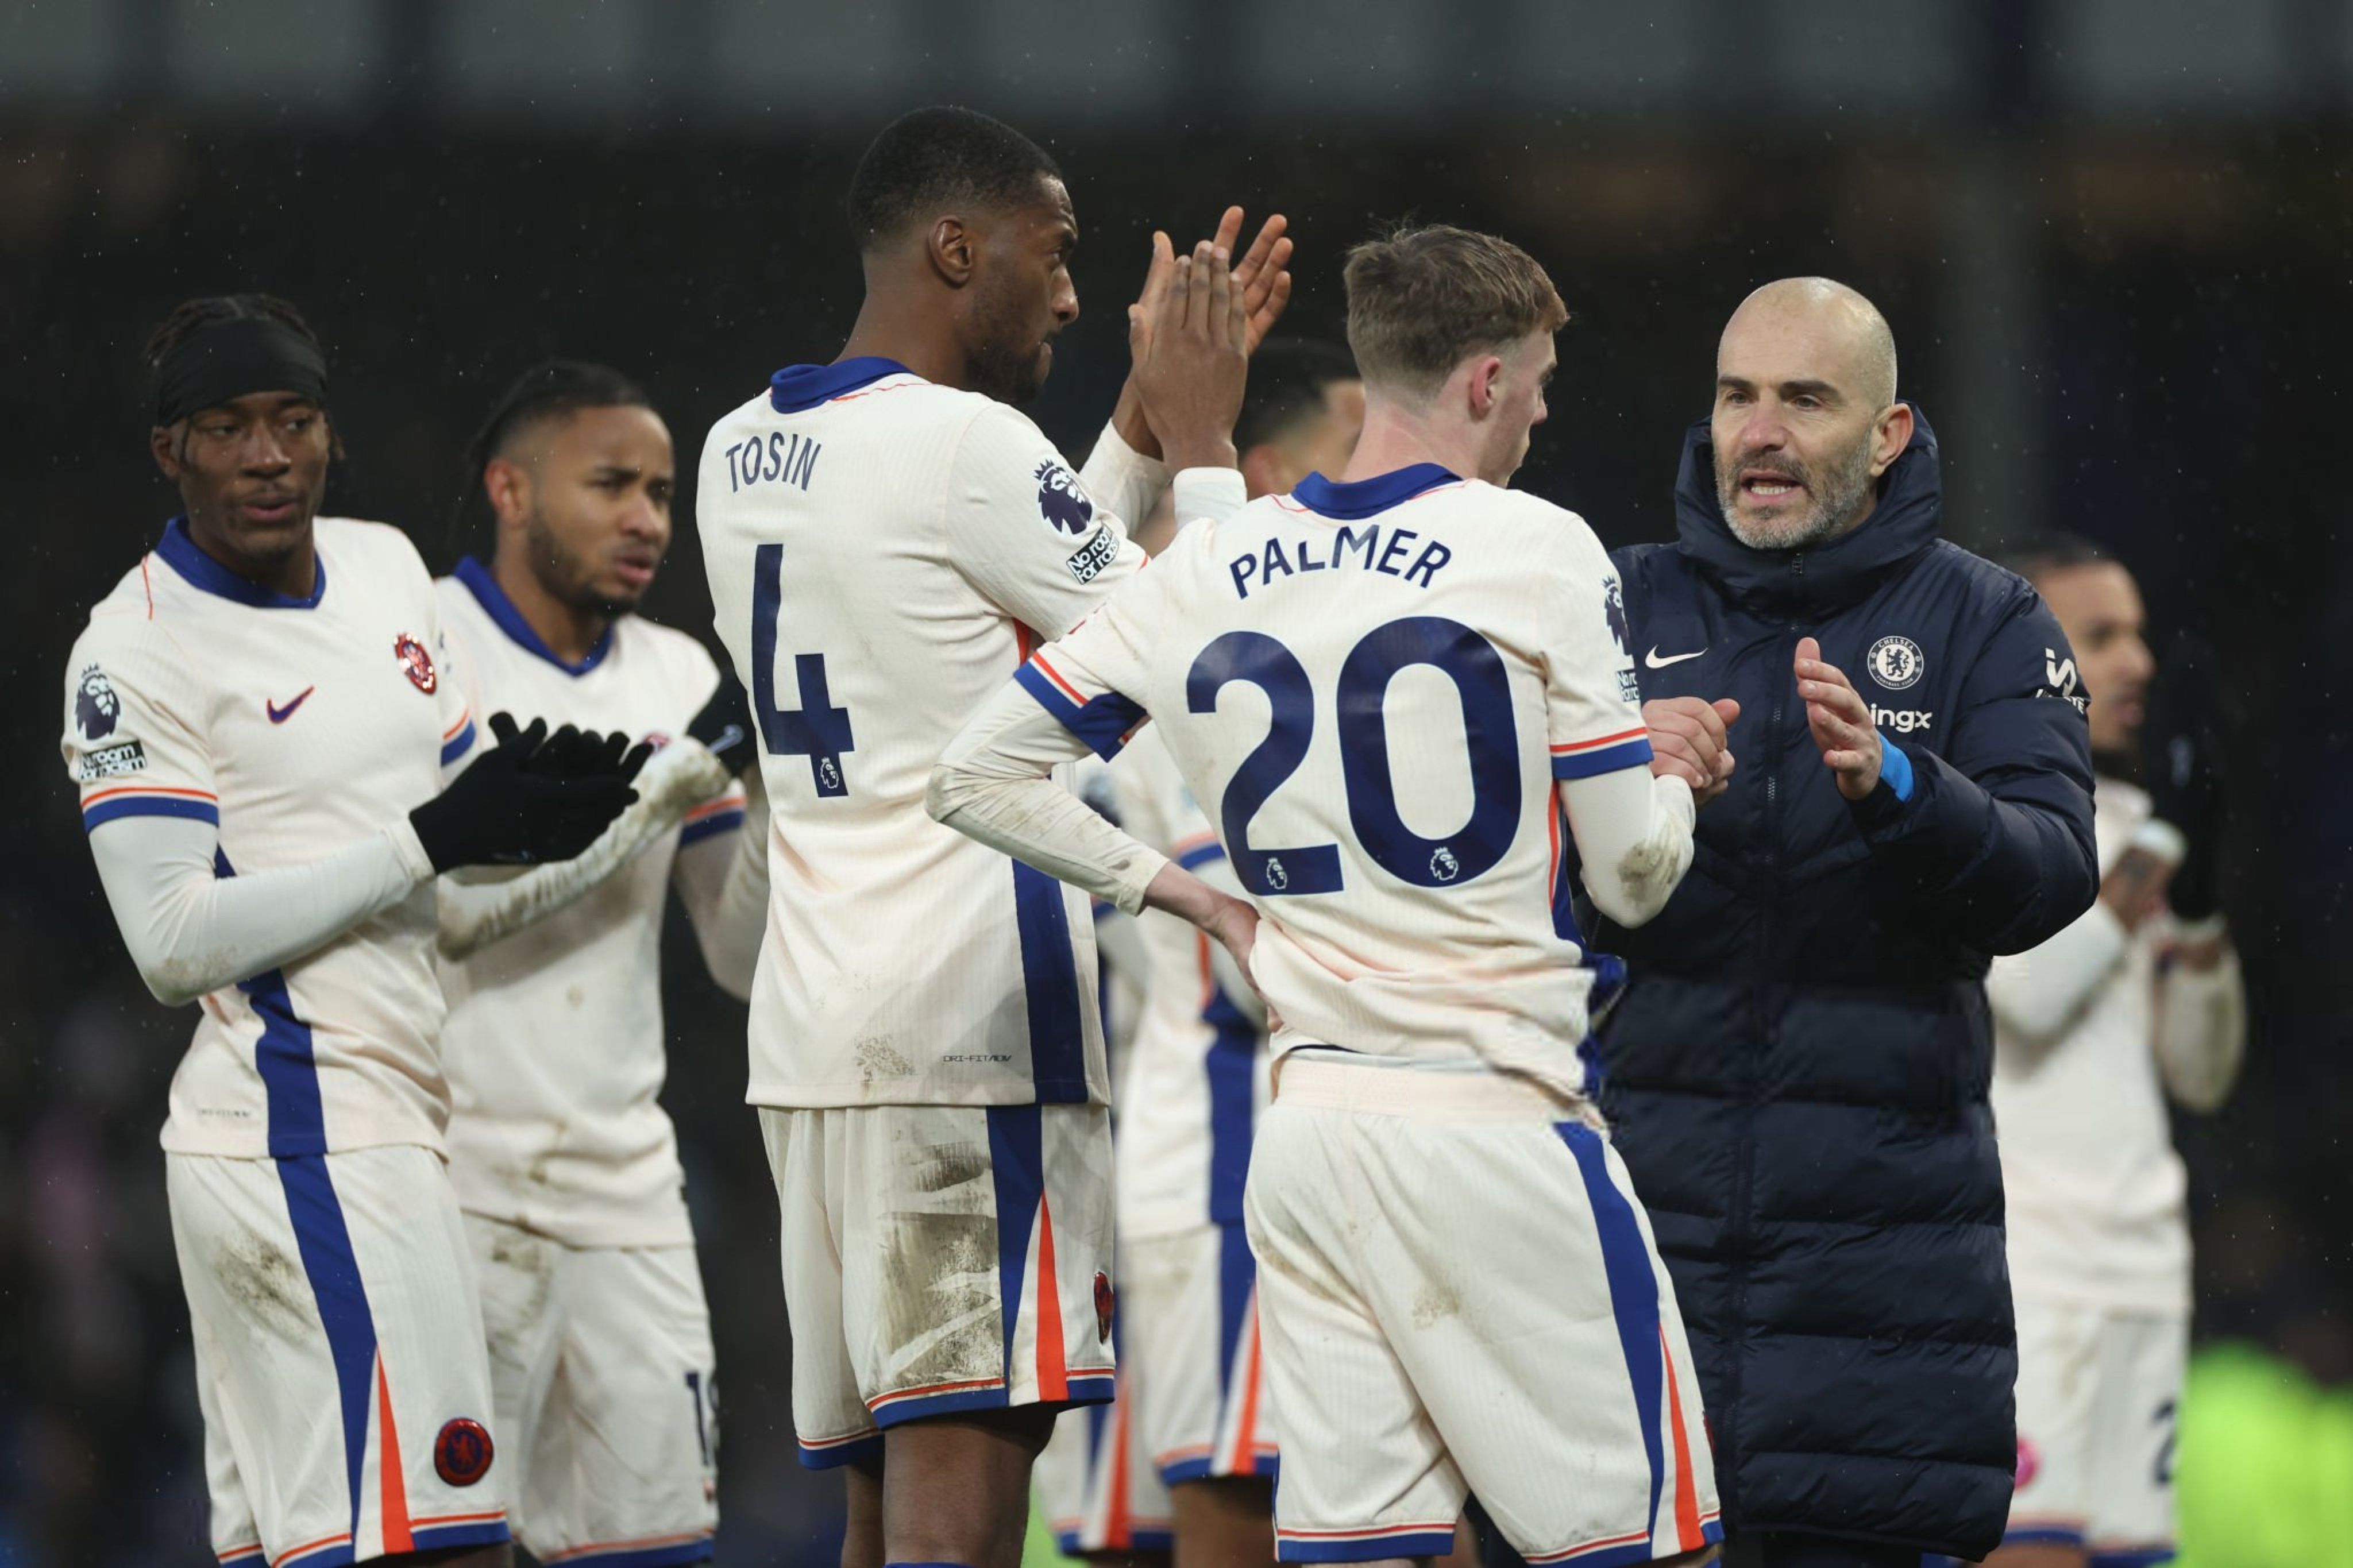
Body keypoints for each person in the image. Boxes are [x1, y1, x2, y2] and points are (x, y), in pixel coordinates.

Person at [928, 223, 1723, 1568]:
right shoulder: (1535, 547)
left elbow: (971, 774)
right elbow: (1632, 878)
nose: (1539, 408)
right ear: (1480, 383)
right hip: (1493, 1118)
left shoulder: (1203, 573)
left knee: (1363, 1554)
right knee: (1644, 1544)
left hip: (1304, 1142)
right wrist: (1677, 772)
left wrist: (1189, 899)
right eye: (1533, 380)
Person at [693, 106, 1289, 1568]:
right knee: (959, 1530)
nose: (1075, 294)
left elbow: (991, 579)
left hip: (817, 1047)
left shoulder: (738, 447)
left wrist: (1141, 424)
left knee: (878, 1515)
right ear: (956, 248)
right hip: (972, 1043)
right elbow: (1209, 659)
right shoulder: (970, 445)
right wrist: (1206, 439)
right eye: (1056, 252)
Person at [60, 296, 645, 1568]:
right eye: (227, 427)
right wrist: (425, 840)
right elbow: (170, 939)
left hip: (387, 1123)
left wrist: (607, 827)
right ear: (171, 450)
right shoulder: (133, 652)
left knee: (317, 1548)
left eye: (295, 419)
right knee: (445, 1545)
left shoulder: (386, 569)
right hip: (296, 1137)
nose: (269, 455)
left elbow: (435, 907)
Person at [1576, 277, 2100, 1567]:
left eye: (1803, 400)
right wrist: (1593, 779)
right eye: (1734, 396)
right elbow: (1478, 867)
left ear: (1886, 434)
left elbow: (2047, 872)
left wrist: (1899, 789)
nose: (1757, 432)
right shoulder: (1606, 604)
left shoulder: (1985, 619)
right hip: (1634, 1245)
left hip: (1885, 1293)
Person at [431, 360, 771, 1568]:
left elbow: (735, 958)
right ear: (509, 489)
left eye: (663, 493)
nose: (645, 520)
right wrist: (642, 803)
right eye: (611, 485)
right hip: (450, 1178)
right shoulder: (420, 650)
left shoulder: (675, 674)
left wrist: (768, 793)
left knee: (654, 1550)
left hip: (626, 1189)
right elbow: (436, 907)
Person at [1041, 339, 1367, 1568]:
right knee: (1254, 1524)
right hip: (1232, 1158)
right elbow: (1257, 950)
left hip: (1179, 1152)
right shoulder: (1207, 663)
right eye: (1354, 456)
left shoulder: (1133, 643)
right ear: (1265, 475)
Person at [1979, 538, 2244, 1568]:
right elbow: (2032, 993)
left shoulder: (2138, 826)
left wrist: (2204, 895)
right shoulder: (1988, 818)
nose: (2137, 662)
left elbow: (2202, 1070)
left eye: (2137, 632)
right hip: (2029, 1271)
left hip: (2145, 1270)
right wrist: (2166, 850)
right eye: (2101, 636)